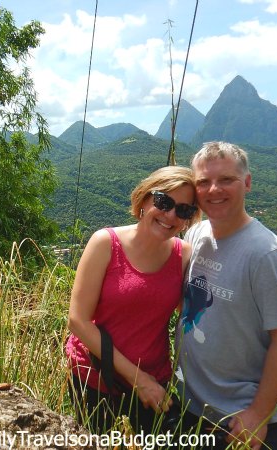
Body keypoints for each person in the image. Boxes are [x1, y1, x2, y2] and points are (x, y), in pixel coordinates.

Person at [175, 141, 277, 450]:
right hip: (191, 406)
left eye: (227, 180)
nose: (214, 189)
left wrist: (258, 414)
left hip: (240, 417)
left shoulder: (266, 255)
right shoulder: (197, 233)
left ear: (246, 182)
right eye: (203, 182)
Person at [66, 166, 201, 434]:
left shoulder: (183, 255)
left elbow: (191, 316)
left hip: (155, 379)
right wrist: (138, 379)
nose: (171, 215)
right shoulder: (105, 243)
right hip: (96, 377)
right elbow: (78, 321)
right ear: (144, 199)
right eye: (164, 202)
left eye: (184, 210)